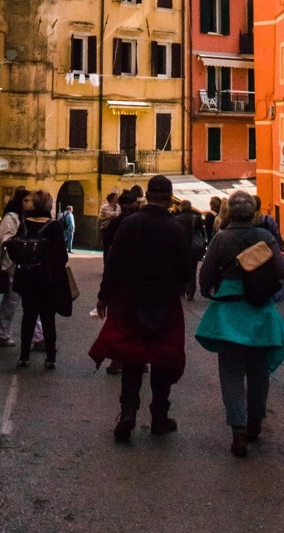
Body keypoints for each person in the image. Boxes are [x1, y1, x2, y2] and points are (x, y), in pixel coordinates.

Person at [90, 175, 190, 442]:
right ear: (169, 198)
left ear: (147, 195)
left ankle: (128, 413)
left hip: (129, 299)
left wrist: (103, 296)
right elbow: (185, 271)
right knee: (161, 361)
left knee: (132, 358)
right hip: (164, 302)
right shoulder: (176, 229)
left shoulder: (130, 224)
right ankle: (159, 417)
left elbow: (113, 262)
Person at [196, 189, 284, 457]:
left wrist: (207, 289)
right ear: (253, 213)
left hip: (229, 309)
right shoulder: (264, 236)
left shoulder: (221, 238)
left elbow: (206, 274)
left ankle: (238, 428)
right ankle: (255, 422)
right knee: (259, 370)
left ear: (229, 213)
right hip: (259, 309)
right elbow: (283, 271)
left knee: (231, 372)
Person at [9, 189, 70, 369]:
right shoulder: (54, 226)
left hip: (26, 278)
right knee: (48, 318)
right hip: (47, 279)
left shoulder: (25, 224)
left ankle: (24, 356)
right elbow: (62, 256)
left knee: (28, 316)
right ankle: (50, 358)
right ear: (48, 205)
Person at [99, 190, 141, 372]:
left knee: (125, 321)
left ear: (135, 203)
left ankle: (129, 359)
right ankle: (121, 359)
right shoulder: (117, 223)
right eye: (123, 203)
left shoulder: (127, 223)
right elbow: (109, 254)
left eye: (128, 202)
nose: (125, 206)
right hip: (125, 280)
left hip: (131, 280)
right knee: (121, 321)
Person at [0, 187, 33, 348]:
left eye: (30, 201)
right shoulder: (11, 218)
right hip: (9, 264)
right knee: (11, 300)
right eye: (25, 200)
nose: (29, 204)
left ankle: (2, 332)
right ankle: (1, 333)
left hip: (17, 264)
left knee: (13, 300)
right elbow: (1, 239)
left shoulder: (22, 217)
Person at [174, 200, 205, 300]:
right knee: (192, 269)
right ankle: (190, 292)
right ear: (190, 207)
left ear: (181, 207)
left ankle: (181, 290)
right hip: (193, 247)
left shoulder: (176, 219)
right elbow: (201, 233)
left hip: (180, 247)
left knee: (180, 268)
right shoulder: (196, 218)